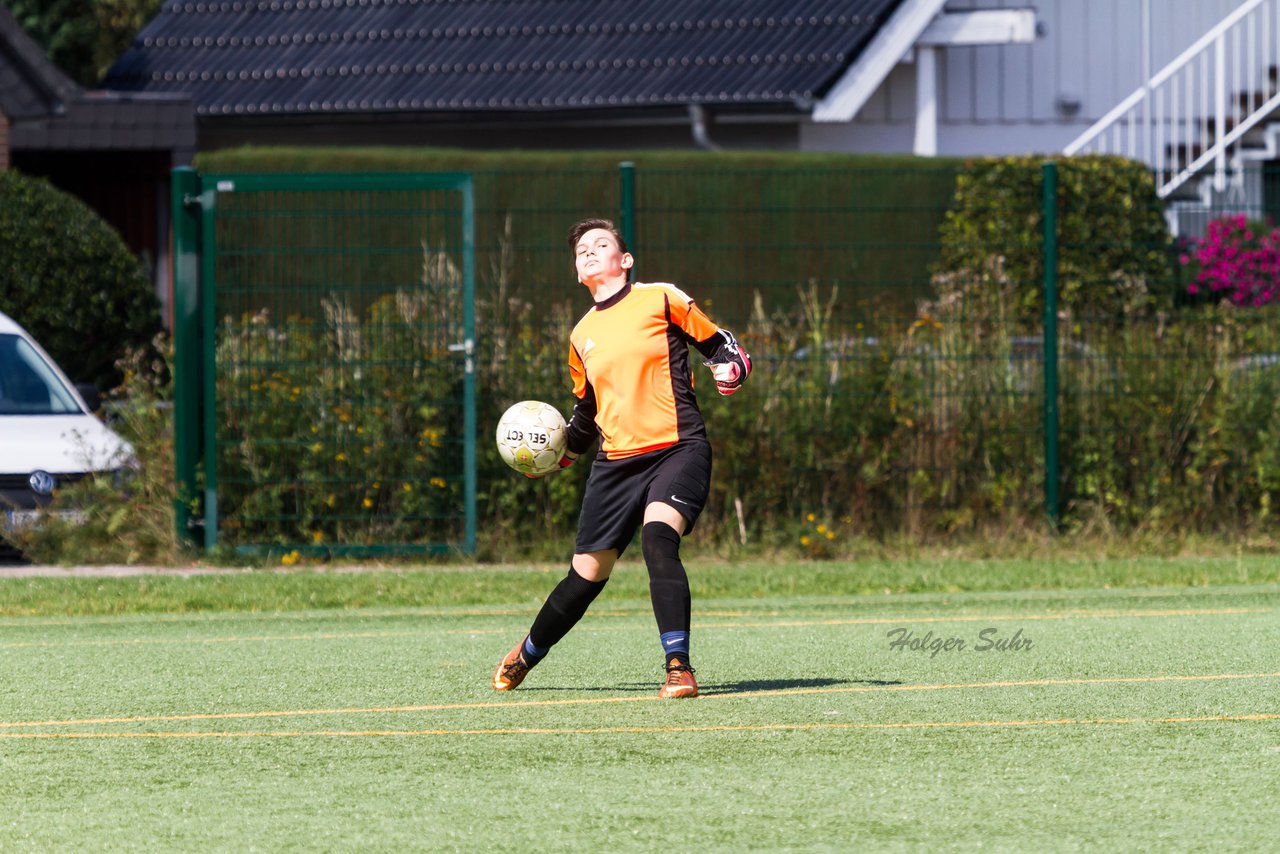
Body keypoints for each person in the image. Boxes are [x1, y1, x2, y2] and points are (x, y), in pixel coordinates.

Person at [493, 217, 752, 699]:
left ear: (624, 259)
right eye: (580, 250)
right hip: (615, 465)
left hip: (678, 448)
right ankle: (527, 652)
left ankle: (679, 667)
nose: (588, 252)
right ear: (576, 271)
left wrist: (731, 367)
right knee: (586, 575)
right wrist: (557, 452)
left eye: (601, 244)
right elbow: (586, 416)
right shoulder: (581, 335)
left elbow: (721, 346)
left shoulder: (661, 298)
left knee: (658, 539)